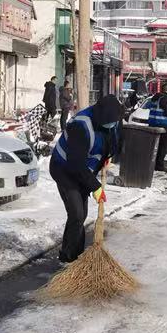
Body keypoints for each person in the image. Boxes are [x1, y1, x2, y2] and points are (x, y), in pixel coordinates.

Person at [49, 95, 125, 262]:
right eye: (111, 121)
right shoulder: (81, 125)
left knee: (80, 215)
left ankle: (77, 255)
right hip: (64, 169)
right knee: (77, 213)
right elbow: (75, 163)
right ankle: (68, 258)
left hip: (84, 170)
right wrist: (95, 186)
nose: (114, 123)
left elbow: (115, 138)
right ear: (101, 115)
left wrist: (108, 154)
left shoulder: (112, 119)